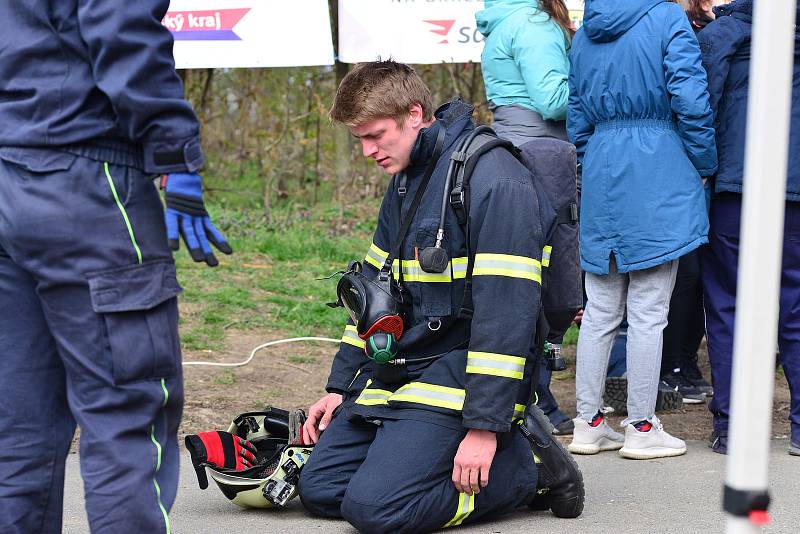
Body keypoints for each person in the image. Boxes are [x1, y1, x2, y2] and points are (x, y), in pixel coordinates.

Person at [297, 60, 584, 533]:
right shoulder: (408, 178)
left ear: (415, 113)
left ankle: (526, 469)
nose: (368, 150)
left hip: (465, 371)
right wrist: (340, 388)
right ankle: (429, 453)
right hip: (411, 362)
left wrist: (484, 427)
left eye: (376, 135)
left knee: (375, 511)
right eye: (359, 139)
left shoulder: (495, 179)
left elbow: (507, 315)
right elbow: (373, 293)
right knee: (322, 489)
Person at [0, 1, 231, 532]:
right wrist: (174, 152)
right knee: (127, 412)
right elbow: (121, 26)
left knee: (18, 425)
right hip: (83, 178)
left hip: (10, 174)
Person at [566, 0, 717, 460]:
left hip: (603, 167)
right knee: (650, 310)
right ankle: (643, 426)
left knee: (600, 310)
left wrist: (591, 159)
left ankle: (589, 424)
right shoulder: (668, 19)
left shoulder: (584, 30)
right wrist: (703, 161)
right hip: (658, 163)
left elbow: (577, 114)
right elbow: (690, 98)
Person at [698, 0, 800, 456]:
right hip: (794, 189)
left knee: (728, 305)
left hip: (735, 189)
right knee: (796, 307)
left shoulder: (720, 36)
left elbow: (701, 110)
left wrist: (704, 167)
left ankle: (733, 426)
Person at [477, 0, 578, 435]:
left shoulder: (503, 18)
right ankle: (539, 402)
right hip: (542, 152)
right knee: (547, 278)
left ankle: (529, 396)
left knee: (526, 274)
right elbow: (553, 100)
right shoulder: (534, 23)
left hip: (515, 144)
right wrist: (605, 84)